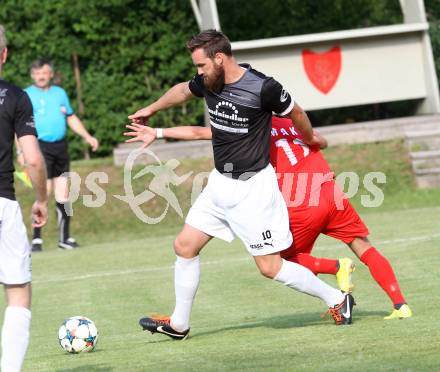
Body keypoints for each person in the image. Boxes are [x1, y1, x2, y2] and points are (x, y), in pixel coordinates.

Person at [127, 29, 354, 340]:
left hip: (253, 190)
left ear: (219, 58)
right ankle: (179, 324)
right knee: (184, 246)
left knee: (270, 267)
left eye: (201, 65)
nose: (198, 73)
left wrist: (310, 138)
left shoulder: (262, 87)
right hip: (220, 184)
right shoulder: (210, 82)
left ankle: (338, 300)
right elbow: (182, 91)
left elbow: (297, 112)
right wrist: (152, 111)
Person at [126, 115, 412, 320]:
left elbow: (203, 133)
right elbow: (319, 141)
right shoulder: (293, 122)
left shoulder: (251, 129)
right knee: (364, 246)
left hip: (301, 201)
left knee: (279, 263)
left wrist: (160, 132)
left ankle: (336, 270)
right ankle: (400, 305)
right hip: (330, 191)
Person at [0, 25, 48, 371]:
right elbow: (32, 159)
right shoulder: (15, 96)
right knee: (17, 292)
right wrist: (41, 199)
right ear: (3, 54)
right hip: (2, 203)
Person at [17, 58, 99, 252]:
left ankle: (64, 238)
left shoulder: (60, 93)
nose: (41, 76)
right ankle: (36, 240)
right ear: (32, 75)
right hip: (39, 147)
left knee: (63, 193)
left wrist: (88, 136)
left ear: (50, 74)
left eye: (44, 73)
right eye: (37, 73)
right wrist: (20, 150)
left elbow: (70, 117)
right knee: (42, 191)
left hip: (60, 147)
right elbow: (17, 126)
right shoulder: (26, 94)